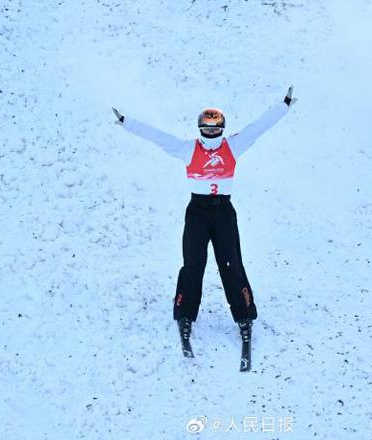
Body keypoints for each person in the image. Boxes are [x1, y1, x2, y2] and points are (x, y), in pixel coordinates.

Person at [112, 86, 296, 361]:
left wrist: (283, 106)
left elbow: (258, 127)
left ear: (222, 129)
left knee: (231, 264)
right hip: (197, 212)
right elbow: (158, 137)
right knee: (193, 264)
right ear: (200, 129)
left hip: (223, 212)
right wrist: (128, 123)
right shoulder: (188, 149)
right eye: (206, 129)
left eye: (215, 129)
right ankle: (185, 314)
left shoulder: (233, 145)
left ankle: (244, 316)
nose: (211, 134)